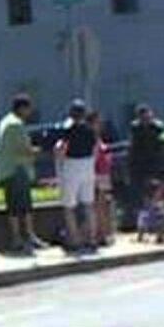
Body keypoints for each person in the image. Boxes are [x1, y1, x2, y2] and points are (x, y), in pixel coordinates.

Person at [0, 94, 46, 254]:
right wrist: (36, 151)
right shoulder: (16, 124)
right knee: (23, 206)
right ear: (22, 108)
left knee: (13, 206)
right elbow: (21, 148)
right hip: (17, 169)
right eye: (28, 108)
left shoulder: (5, 121)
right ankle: (26, 236)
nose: (30, 112)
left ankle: (19, 238)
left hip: (7, 169)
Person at [54, 99, 98, 253]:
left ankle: (74, 240)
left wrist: (59, 161)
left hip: (72, 165)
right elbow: (95, 148)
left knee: (69, 206)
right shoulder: (91, 130)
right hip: (88, 165)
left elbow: (62, 149)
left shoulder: (68, 130)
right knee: (88, 204)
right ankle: (92, 239)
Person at [128, 104, 164, 225]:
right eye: (142, 117)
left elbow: (163, 147)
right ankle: (145, 223)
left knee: (158, 195)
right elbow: (133, 148)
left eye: (146, 116)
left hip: (156, 166)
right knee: (142, 196)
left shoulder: (158, 127)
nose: (145, 119)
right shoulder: (135, 128)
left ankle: (159, 223)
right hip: (140, 167)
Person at [88, 111, 116, 247]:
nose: (100, 125)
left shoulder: (98, 137)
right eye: (98, 122)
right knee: (99, 206)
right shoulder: (92, 138)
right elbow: (93, 157)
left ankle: (104, 233)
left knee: (104, 205)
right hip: (97, 174)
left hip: (103, 174)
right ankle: (100, 235)